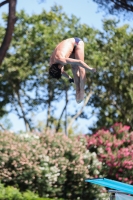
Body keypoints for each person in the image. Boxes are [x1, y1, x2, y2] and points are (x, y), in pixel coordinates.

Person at [49, 37, 96, 103]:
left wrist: (90, 69)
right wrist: (69, 78)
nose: (62, 72)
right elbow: (61, 72)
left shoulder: (62, 60)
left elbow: (80, 62)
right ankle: (77, 91)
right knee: (74, 69)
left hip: (76, 43)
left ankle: (82, 91)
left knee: (81, 68)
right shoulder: (52, 65)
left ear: (59, 67)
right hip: (69, 49)